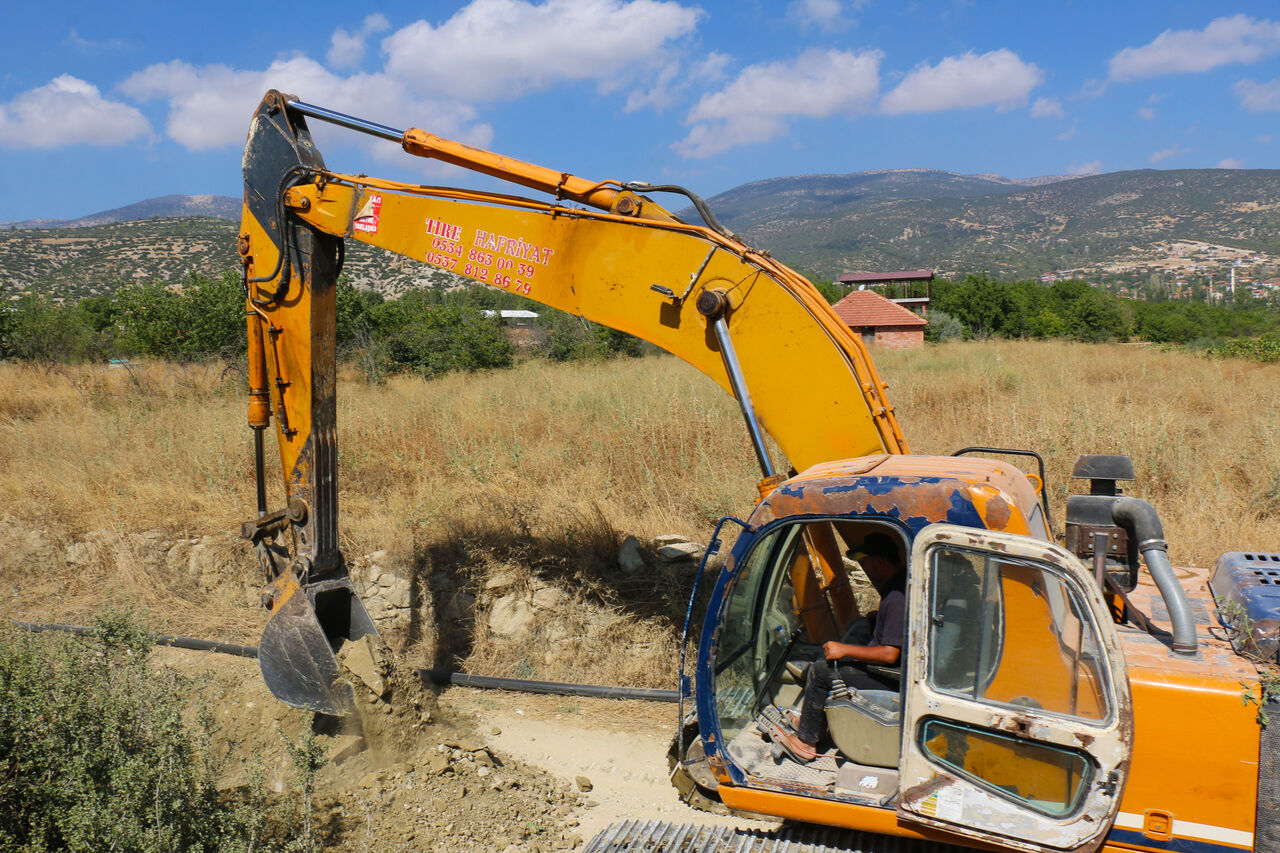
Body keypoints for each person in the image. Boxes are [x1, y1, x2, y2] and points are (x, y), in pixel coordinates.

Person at [772, 532, 906, 763]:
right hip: (896, 670)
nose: (864, 569)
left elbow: (890, 653)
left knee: (822, 670)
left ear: (881, 562)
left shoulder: (896, 599)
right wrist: (879, 622)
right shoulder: (902, 583)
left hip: (892, 677)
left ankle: (805, 742)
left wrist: (845, 650)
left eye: (866, 563)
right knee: (857, 633)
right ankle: (816, 722)